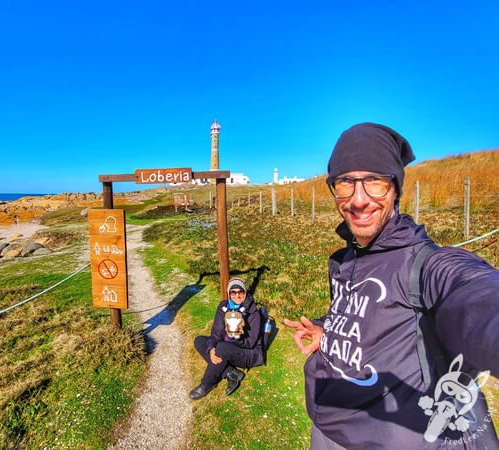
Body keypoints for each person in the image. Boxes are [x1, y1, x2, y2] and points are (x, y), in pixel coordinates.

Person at [283, 123, 499, 449]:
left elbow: (476, 295)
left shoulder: (426, 265)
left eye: (374, 181)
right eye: (345, 182)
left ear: (395, 188)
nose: (358, 200)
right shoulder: (341, 261)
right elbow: (369, 319)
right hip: (325, 431)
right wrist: (327, 331)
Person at [190, 277, 264, 400]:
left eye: (240, 292)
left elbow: (251, 343)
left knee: (222, 348)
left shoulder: (253, 312)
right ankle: (230, 373)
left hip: (249, 353)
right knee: (199, 341)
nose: (237, 295)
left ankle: (206, 384)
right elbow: (216, 331)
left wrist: (238, 337)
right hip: (225, 345)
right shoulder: (223, 307)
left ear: (245, 292)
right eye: (233, 292)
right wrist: (211, 348)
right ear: (229, 293)